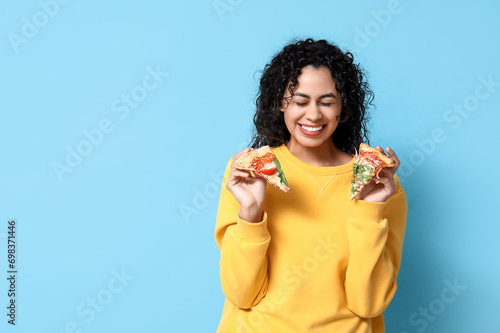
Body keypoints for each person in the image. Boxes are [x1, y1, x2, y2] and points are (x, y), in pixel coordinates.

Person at [214, 38, 407, 332]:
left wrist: (370, 211)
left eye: (327, 102)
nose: (314, 115)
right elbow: (242, 294)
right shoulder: (248, 174)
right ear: (280, 103)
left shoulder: (379, 184)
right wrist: (251, 213)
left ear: (343, 108)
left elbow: (368, 304)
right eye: (300, 101)